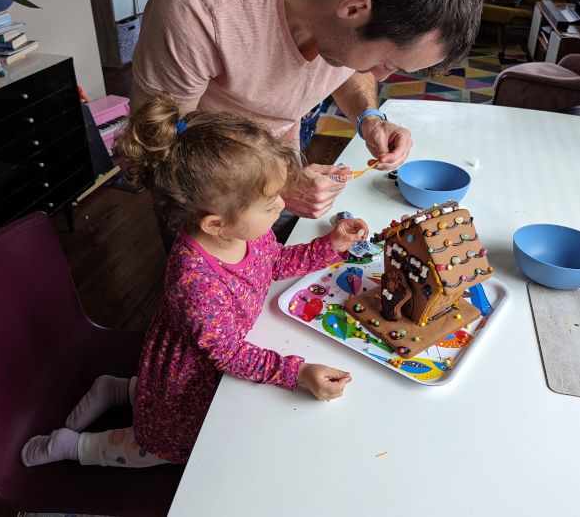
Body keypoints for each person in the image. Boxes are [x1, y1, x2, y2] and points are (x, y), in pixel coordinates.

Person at [21, 96, 367, 468]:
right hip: (189, 374)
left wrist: (331, 245)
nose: (281, 207)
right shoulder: (195, 280)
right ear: (215, 224)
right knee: (158, 449)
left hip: (209, 352)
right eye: (270, 205)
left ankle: (118, 388)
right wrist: (295, 372)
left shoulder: (245, 233)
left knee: (153, 400)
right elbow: (228, 354)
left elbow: (273, 263)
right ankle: (74, 446)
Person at [130, 0, 487, 246]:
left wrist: (368, 118)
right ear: (353, 9)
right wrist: (275, 185)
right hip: (213, 198)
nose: (380, 76)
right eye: (386, 61)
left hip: (277, 168)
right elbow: (160, 151)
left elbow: (349, 63)